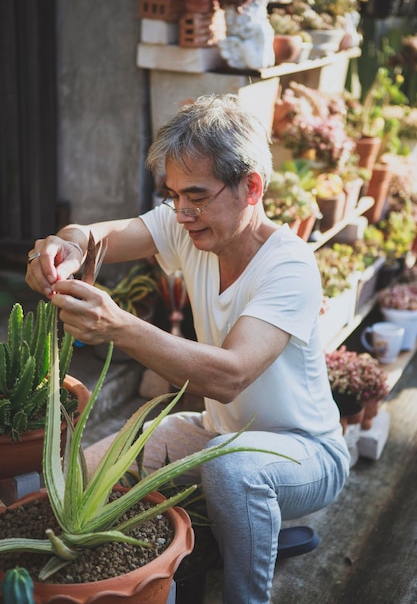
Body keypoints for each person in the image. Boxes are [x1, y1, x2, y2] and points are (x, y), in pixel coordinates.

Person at [25, 94, 350, 604]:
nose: (182, 213)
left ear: (252, 188)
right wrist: (65, 245)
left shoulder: (290, 266)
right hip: (215, 434)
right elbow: (100, 236)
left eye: (196, 196)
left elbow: (229, 375)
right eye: (173, 196)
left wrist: (118, 325)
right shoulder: (191, 229)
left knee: (232, 469)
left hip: (306, 453)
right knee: (79, 479)